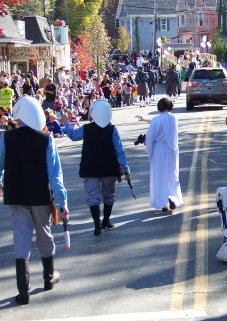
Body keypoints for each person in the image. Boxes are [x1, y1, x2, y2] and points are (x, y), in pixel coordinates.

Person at [0, 96, 69, 305]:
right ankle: (49, 277)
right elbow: (55, 174)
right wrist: (62, 201)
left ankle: (23, 289)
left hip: (16, 194)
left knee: (21, 239)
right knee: (44, 234)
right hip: (40, 195)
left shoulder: (5, 138)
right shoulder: (46, 139)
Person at [63, 100, 131, 235]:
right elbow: (119, 150)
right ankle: (106, 220)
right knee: (109, 195)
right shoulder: (112, 129)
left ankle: (97, 225)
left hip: (90, 167)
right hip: (109, 167)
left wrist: (66, 123)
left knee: (92, 196)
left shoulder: (86, 128)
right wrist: (126, 169)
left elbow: (73, 135)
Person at [143, 97, 184, 211]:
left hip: (159, 149)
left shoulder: (156, 119)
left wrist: (149, 151)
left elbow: (150, 136)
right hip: (171, 149)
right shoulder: (174, 118)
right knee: (171, 174)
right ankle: (172, 197)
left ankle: (162, 201)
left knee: (159, 176)